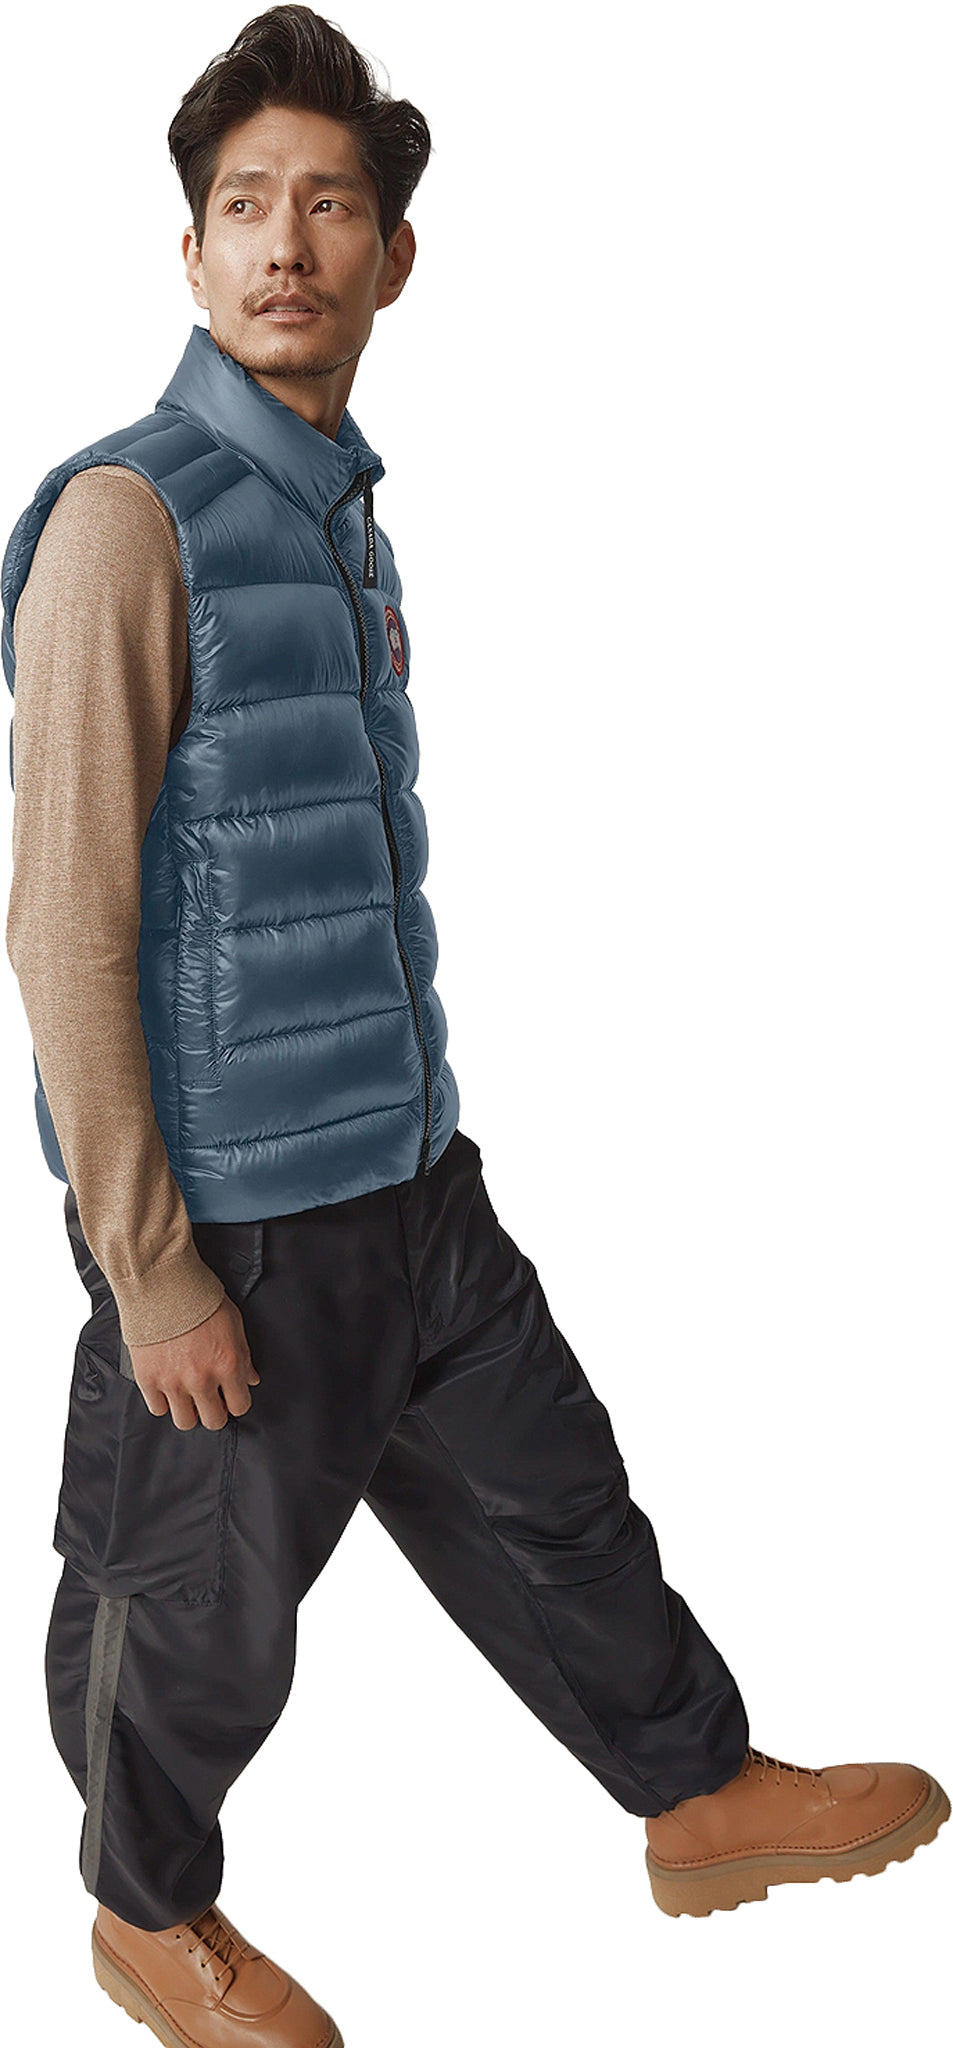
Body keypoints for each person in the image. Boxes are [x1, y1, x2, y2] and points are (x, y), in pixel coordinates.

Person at [3, 9, 947, 2045]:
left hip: (411, 1178)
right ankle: (145, 1917)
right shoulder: (125, 522)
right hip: (237, 1219)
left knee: (560, 1505)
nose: (286, 243)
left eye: (329, 205)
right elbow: (64, 924)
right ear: (189, 252)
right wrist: (152, 1271)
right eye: (243, 206)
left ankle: (693, 1793)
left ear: (395, 256)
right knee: (193, 1612)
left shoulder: (336, 516)